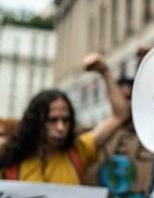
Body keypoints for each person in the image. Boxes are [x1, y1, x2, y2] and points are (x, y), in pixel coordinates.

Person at [0, 61, 130, 184]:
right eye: (52, 120)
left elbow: (120, 115)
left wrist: (104, 71)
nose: (61, 127)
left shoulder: (79, 151)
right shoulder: (9, 158)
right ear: (36, 121)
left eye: (66, 120)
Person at [82, 52, 154, 197]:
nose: (124, 104)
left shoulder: (153, 137)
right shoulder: (98, 136)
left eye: (128, 98)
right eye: (120, 98)